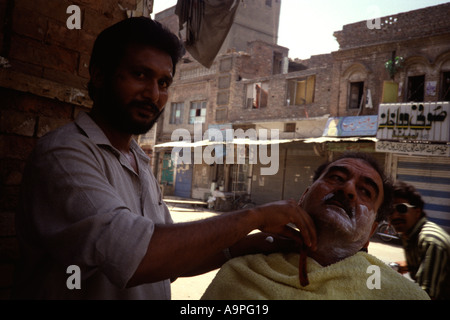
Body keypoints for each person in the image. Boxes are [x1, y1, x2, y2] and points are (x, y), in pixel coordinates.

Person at [11, 17, 317, 299]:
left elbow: (172, 260)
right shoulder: (65, 155)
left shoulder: (137, 161)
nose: (154, 94)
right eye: (140, 74)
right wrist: (254, 217)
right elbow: (140, 255)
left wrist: (249, 245)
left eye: (164, 83)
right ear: (100, 75)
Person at [201, 153, 430, 300]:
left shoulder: (399, 294)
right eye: (337, 178)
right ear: (304, 197)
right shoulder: (243, 272)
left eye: (365, 192)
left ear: (370, 232)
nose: (348, 189)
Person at [389, 181, 450, 300]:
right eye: (390, 211)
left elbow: (425, 295)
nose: (395, 216)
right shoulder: (409, 234)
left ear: (417, 212)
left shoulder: (430, 242)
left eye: (401, 208)